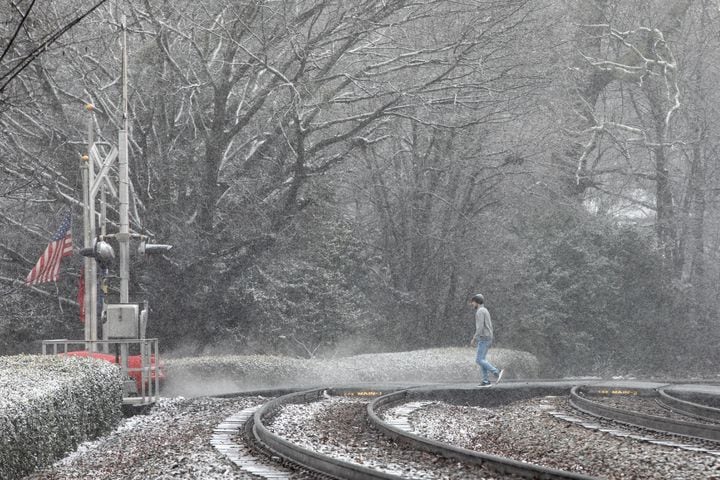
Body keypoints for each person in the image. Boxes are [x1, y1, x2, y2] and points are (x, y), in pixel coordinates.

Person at [469, 293, 503, 387]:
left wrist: (474, 338)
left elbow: (480, 327)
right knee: (482, 359)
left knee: (479, 360)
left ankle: (496, 371)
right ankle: (485, 381)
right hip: (488, 337)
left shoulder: (480, 311)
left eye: (472, 302)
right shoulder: (485, 310)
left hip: (484, 337)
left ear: (476, 302)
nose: (472, 304)